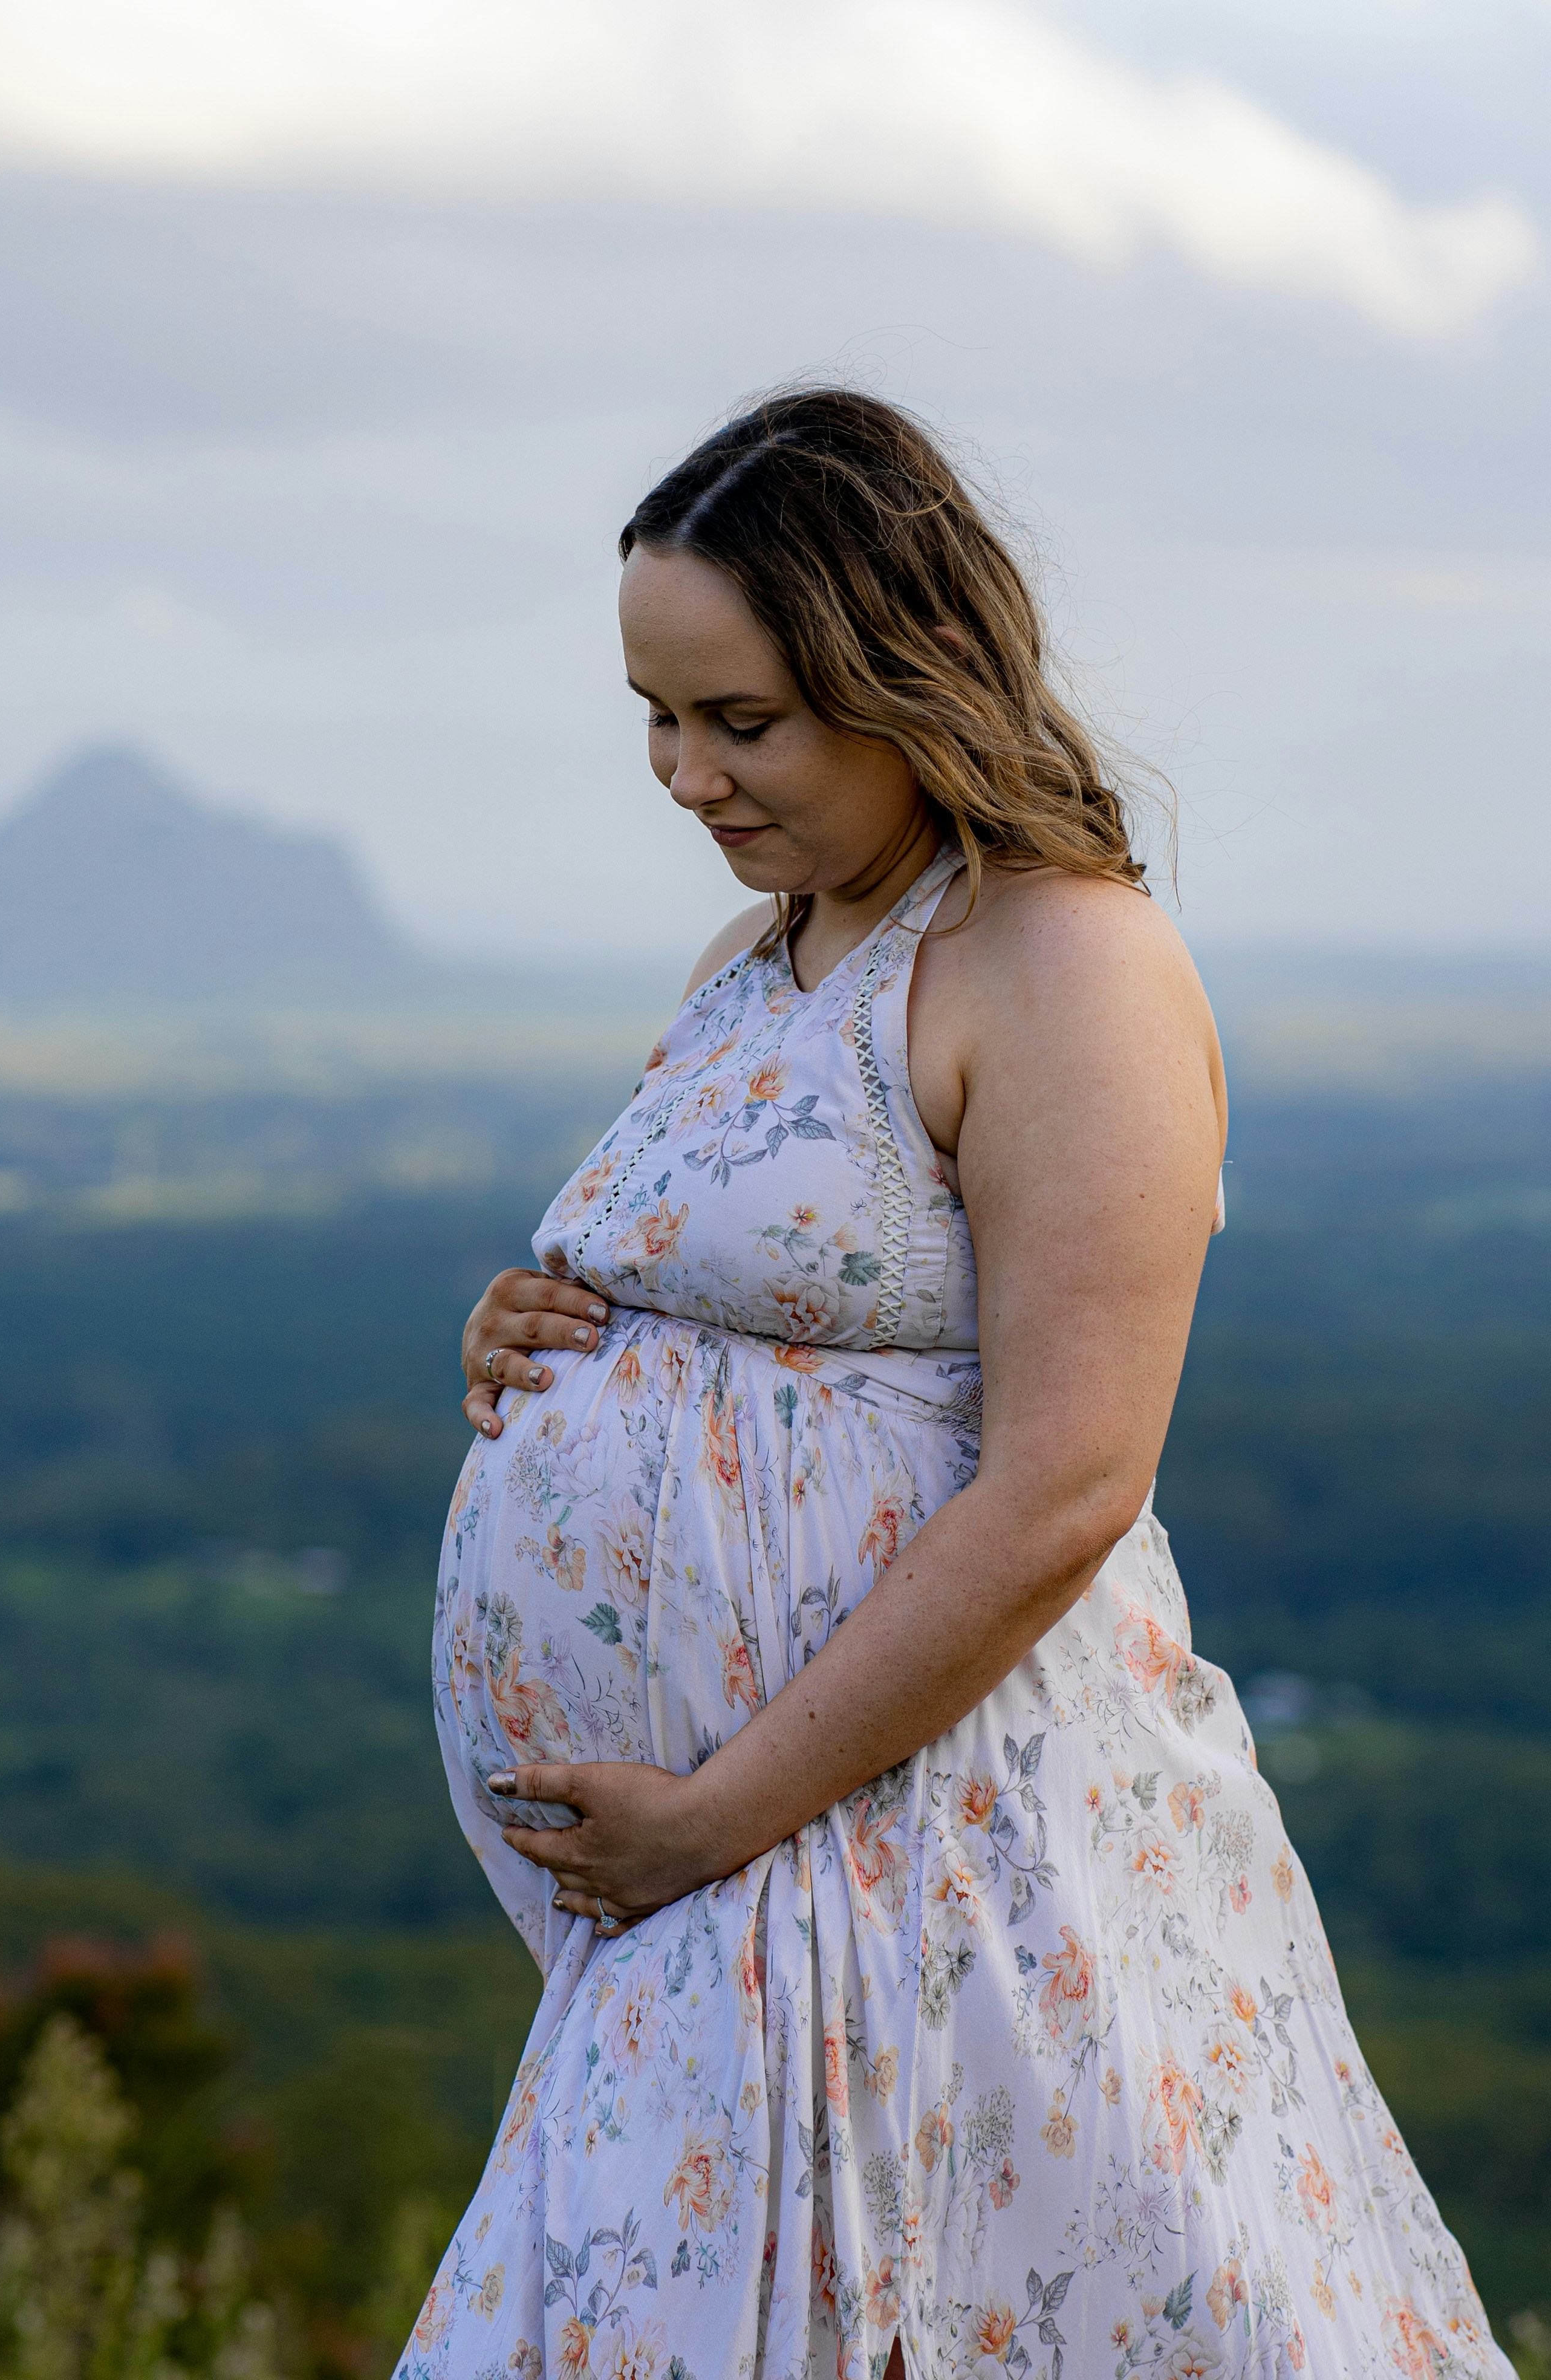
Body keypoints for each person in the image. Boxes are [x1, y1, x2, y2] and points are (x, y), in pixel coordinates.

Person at [399, 390, 1506, 2379]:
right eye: (654, 716)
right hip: (725, 1884)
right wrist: (542, 1337)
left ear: (906, 671)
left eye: (743, 722)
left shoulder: (1063, 960)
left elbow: (1072, 1480)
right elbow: (727, 1288)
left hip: (937, 1842)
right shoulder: (765, 947)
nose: (684, 774)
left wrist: (718, 1815)